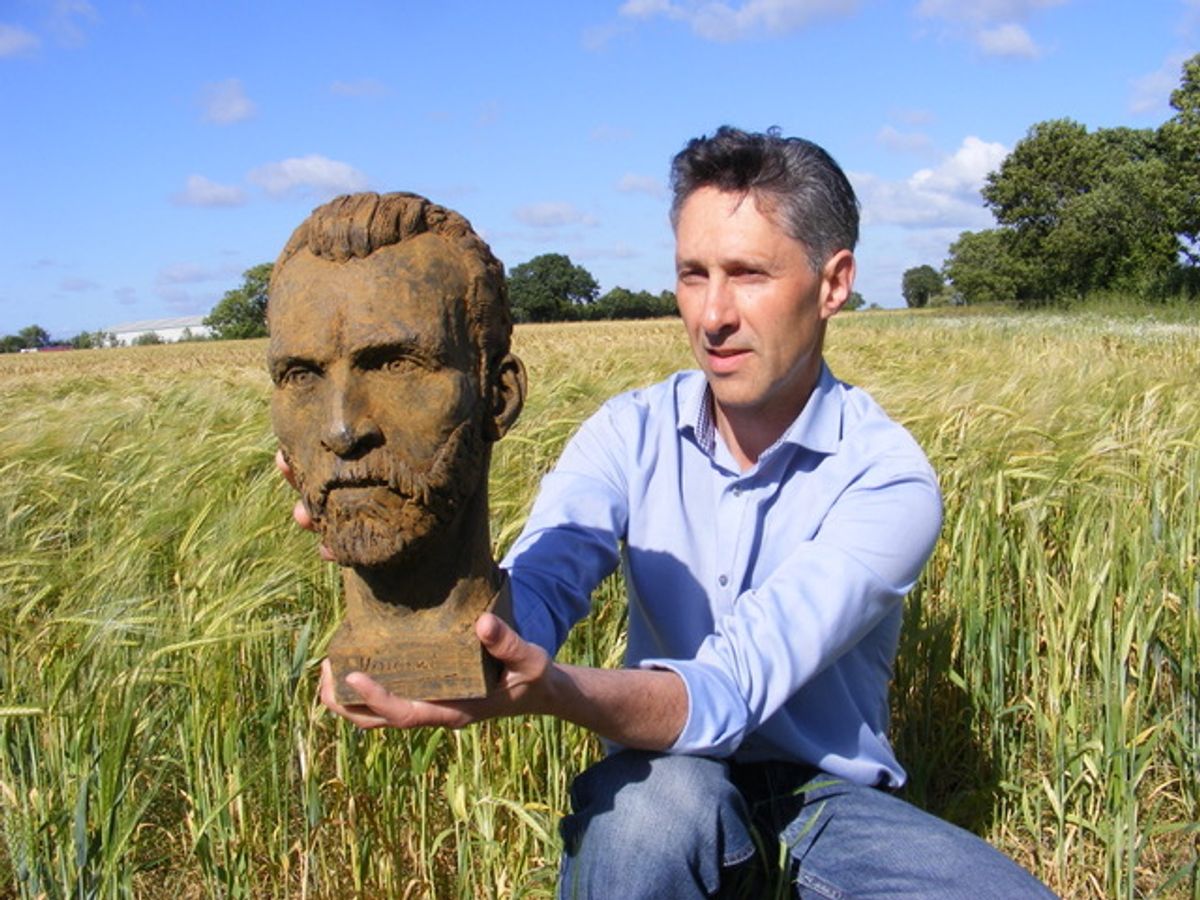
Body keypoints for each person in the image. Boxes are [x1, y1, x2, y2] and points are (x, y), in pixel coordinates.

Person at [297, 127, 1054, 898]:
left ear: (834, 284)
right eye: (693, 274)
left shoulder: (887, 480)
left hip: (829, 804)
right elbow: (539, 597)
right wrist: (415, 552)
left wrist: (556, 691)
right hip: (665, 777)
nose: (713, 313)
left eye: (748, 274)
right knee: (651, 819)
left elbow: (733, 688)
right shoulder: (628, 432)